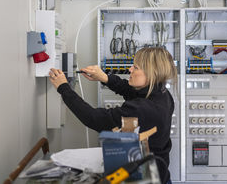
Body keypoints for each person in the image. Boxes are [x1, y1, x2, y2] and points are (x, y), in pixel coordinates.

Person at [49, 47, 177, 184]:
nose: (130, 69)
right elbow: (130, 90)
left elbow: (94, 118)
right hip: (159, 173)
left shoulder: (143, 109)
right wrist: (104, 77)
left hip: (148, 178)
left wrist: (63, 88)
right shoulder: (162, 94)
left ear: (152, 74)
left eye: (136, 67)